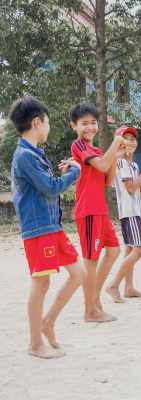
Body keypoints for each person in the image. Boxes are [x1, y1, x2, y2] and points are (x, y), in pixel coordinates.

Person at [10, 96, 84, 359]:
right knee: (40, 285)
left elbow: (47, 185)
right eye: (48, 123)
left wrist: (64, 172)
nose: (48, 128)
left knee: (78, 274)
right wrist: (74, 173)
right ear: (36, 122)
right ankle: (34, 344)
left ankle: (48, 322)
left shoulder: (33, 154)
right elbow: (51, 187)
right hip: (39, 229)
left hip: (51, 225)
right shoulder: (24, 156)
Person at [70, 103, 126, 323]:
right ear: (74, 126)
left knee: (113, 251)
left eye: (93, 123)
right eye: (84, 123)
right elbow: (101, 166)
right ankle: (90, 310)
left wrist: (117, 156)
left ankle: (94, 299)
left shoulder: (96, 151)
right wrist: (115, 143)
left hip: (99, 210)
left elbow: (108, 179)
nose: (90, 127)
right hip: (88, 211)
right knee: (91, 260)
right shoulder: (79, 146)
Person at [106, 126, 141, 303]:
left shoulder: (133, 164)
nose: (131, 141)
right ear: (119, 142)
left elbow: (140, 189)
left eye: (133, 138)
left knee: (129, 249)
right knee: (139, 251)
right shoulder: (120, 163)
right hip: (129, 212)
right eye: (126, 138)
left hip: (135, 211)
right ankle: (113, 285)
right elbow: (130, 188)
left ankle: (128, 287)